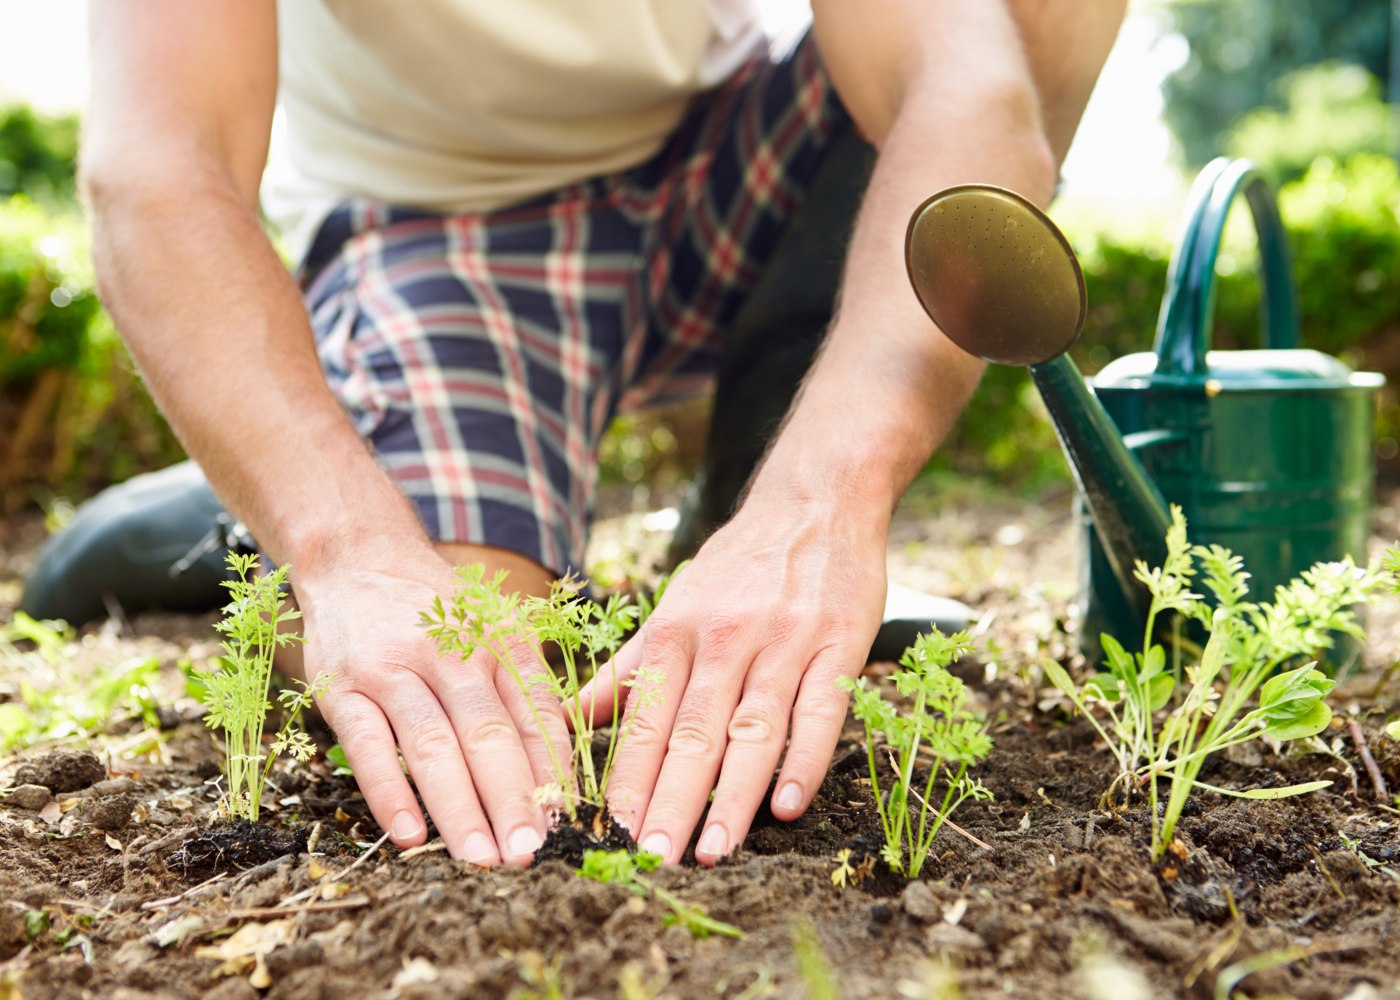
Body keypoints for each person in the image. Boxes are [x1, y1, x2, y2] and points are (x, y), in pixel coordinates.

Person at [42, 0, 1124, 868]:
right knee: (477, 660)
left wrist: (823, 496)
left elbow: (964, 86)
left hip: (730, 164)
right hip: (448, 224)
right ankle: (287, 475)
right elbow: (157, 168)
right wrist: (342, 546)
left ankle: (749, 498)